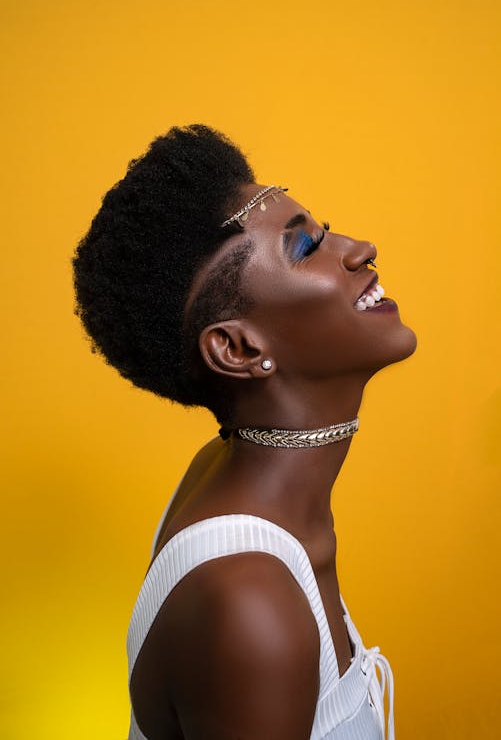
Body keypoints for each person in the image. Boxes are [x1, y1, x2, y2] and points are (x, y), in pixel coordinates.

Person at [72, 124, 416, 740]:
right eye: (306, 248)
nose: (360, 247)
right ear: (236, 348)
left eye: (322, 229)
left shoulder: (238, 476)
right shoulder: (249, 602)